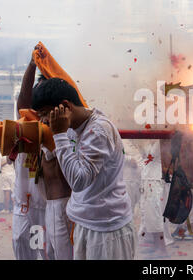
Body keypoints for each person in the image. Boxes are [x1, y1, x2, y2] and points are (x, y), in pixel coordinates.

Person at [32, 77, 136, 260]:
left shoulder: (98, 130)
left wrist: (59, 135)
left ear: (65, 106)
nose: (44, 121)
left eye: (44, 114)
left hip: (106, 229)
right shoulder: (73, 127)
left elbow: (79, 181)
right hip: (86, 222)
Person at [12, 53, 47, 260]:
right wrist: (32, 65)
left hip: (49, 205)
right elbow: (23, 103)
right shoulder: (27, 122)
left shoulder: (60, 124)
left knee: (50, 253)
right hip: (24, 207)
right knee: (22, 250)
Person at [136, 140, 173, 259]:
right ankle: (155, 246)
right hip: (147, 179)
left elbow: (150, 155)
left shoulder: (158, 140)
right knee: (149, 217)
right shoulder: (148, 140)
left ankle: (162, 249)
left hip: (155, 181)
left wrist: (143, 144)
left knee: (156, 216)